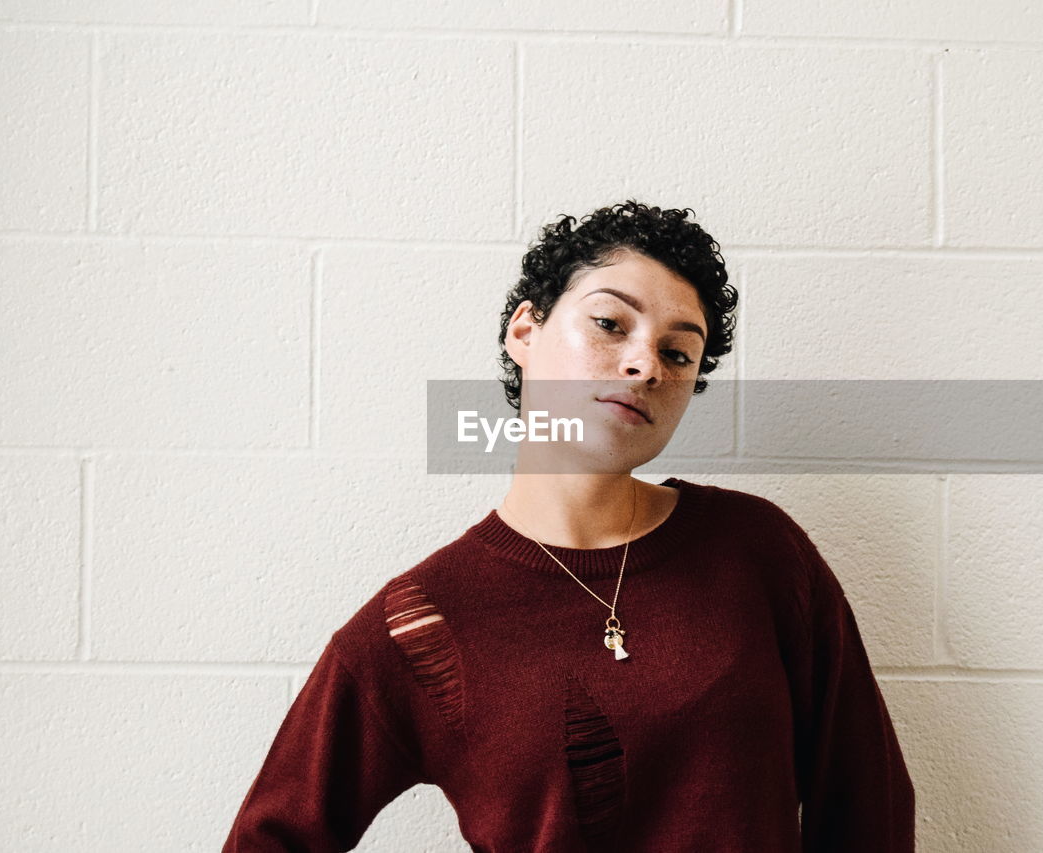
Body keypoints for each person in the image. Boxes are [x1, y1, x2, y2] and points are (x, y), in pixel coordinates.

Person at [222, 200, 915, 851]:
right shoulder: (422, 623)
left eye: (678, 353)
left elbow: (869, 806)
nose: (645, 363)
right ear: (524, 331)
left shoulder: (758, 553)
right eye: (612, 325)